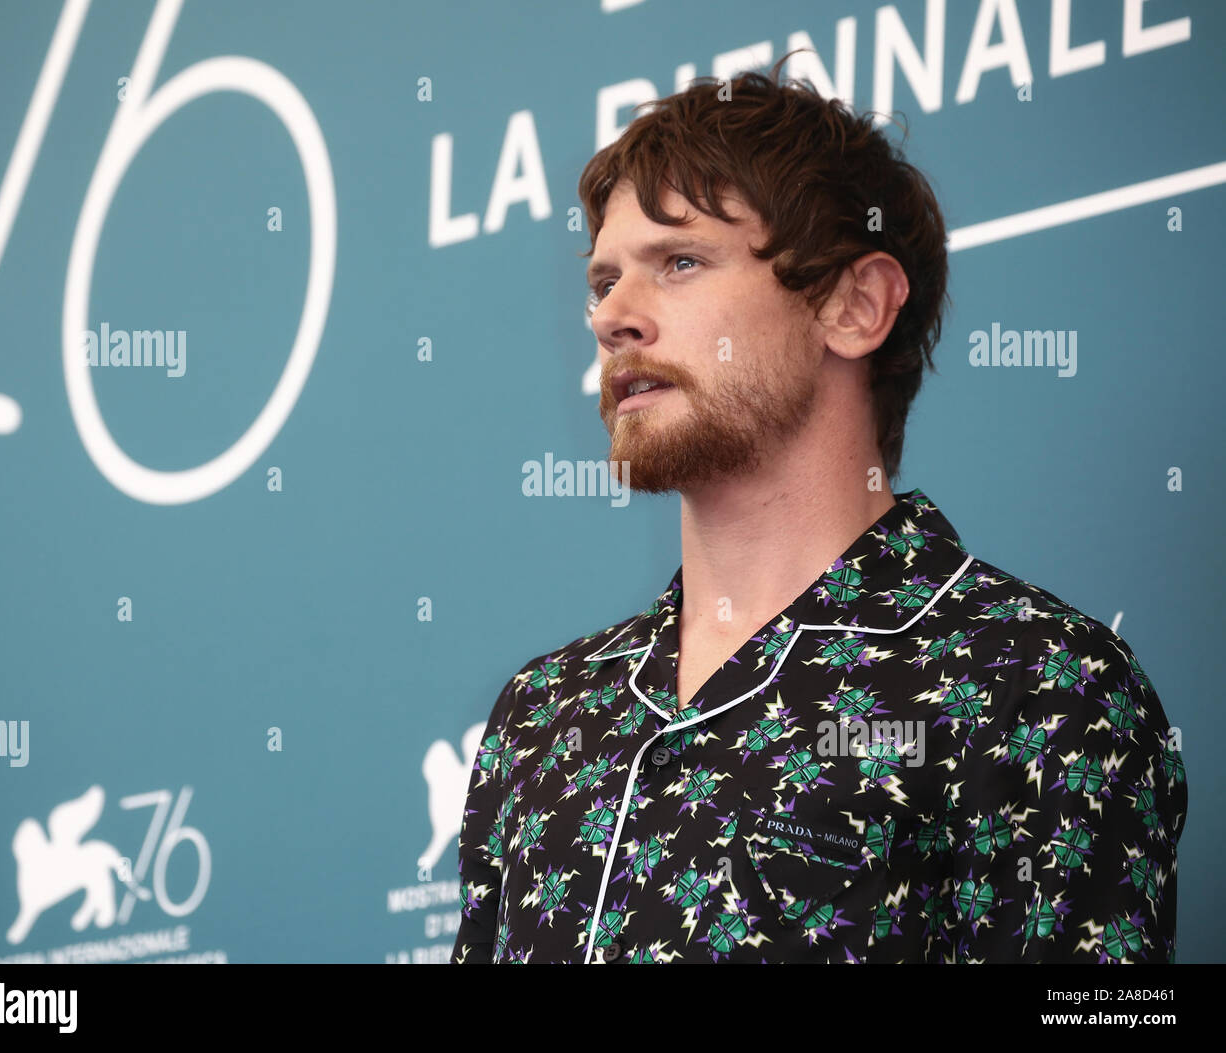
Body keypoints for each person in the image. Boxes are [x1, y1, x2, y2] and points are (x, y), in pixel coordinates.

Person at [452, 57, 1187, 964]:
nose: (614, 318)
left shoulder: (1036, 688)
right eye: (603, 283)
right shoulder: (545, 713)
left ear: (854, 305)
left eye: (679, 262)